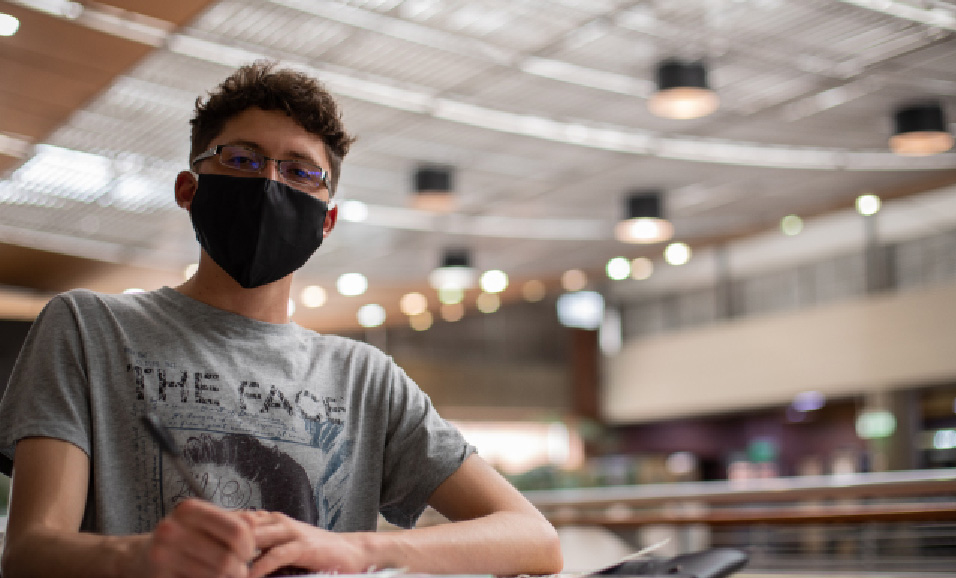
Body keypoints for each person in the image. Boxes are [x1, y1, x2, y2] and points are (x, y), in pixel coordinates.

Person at [0, 61, 563, 578]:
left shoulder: (366, 379)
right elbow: (28, 551)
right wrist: (141, 555)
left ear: (326, 221)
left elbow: (533, 537)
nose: (270, 184)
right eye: (242, 160)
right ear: (189, 190)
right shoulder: (88, 328)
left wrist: (359, 548)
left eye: (300, 172)